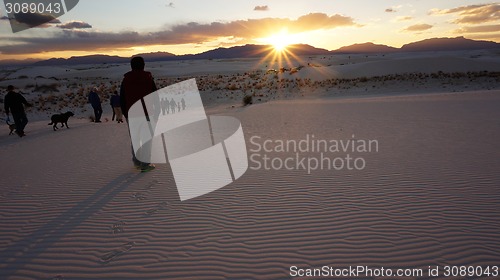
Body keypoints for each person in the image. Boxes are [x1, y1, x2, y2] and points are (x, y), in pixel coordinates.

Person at [120, 56, 157, 172]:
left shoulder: (126, 80)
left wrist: (125, 113)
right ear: (143, 65)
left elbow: (122, 98)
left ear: (131, 66)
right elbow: (155, 96)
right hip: (146, 113)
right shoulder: (148, 78)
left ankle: (136, 162)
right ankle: (145, 165)